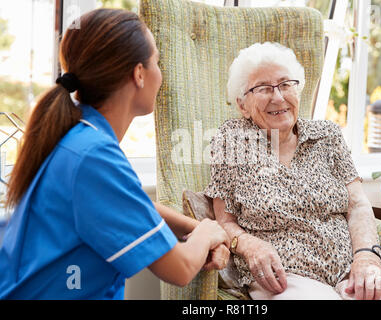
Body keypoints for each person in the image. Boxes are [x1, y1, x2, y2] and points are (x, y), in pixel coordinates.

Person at [0, 8, 229, 300]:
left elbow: (129, 202)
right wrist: (209, 233)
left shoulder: (78, 139)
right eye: (157, 62)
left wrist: (195, 227)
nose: (161, 73)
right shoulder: (95, 158)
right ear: (139, 74)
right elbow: (181, 268)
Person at [204, 42, 381, 300]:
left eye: (286, 84)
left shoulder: (327, 135)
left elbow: (358, 206)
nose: (278, 97)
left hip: (350, 267)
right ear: (243, 105)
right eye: (263, 88)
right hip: (286, 275)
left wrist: (365, 257)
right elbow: (224, 220)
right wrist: (249, 245)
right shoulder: (231, 140)